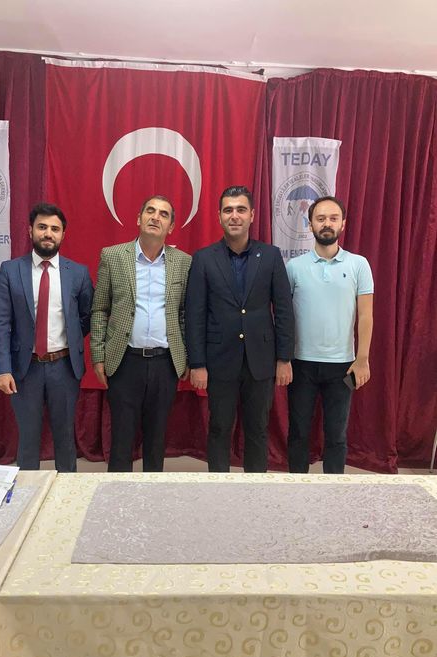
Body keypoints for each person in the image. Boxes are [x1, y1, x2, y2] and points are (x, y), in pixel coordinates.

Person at [185, 185, 294, 472]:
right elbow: (195, 314)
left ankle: (255, 490)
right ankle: (218, 488)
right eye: (228, 210)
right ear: (219, 216)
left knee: (258, 429)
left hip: (261, 360)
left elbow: (284, 309)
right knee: (219, 428)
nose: (234, 216)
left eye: (241, 209)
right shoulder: (204, 258)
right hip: (219, 360)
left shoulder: (270, 255)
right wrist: (197, 364)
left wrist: (284, 358)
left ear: (252, 215)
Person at [90, 195, 192, 472]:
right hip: (124, 360)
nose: (156, 217)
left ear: (171, 226)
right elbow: (99, 309)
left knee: (157, 440)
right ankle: (116, 491)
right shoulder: (112, 256)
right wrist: (98, 355)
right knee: (122, 440)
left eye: (164, 214)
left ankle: (151, 492)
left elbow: (185, 312)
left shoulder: (183, 262)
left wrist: (185, 356)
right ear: (139, 218)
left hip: (165, 363)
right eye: (150, 211)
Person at [0, 202, 94, 472]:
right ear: (30, 231)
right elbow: (1, 323)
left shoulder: (78, 273)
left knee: (65, 438)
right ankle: (28, 492)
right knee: (28, 440)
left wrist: (71, 338)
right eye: (42, 227)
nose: (48, 233)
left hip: (65, 367)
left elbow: (88, 315)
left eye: (55, 229)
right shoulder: (11, 271)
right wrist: (2, 369)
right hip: (25, 370)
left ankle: (67, 491)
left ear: (63, 235)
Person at [286, 196, 374, 473]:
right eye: (320, 218)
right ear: (310, 224)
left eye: (333, 218)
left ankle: (333, 489)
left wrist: (362, 359)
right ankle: (296, 486)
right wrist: (283, 358)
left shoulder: (359, 265)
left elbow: (366, 315)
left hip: (342, 365)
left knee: (336, 435)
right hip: (301, 363)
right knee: (298, 432)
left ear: (343, 224)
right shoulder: (294, 267)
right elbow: (283, 317)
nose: (327, 223)